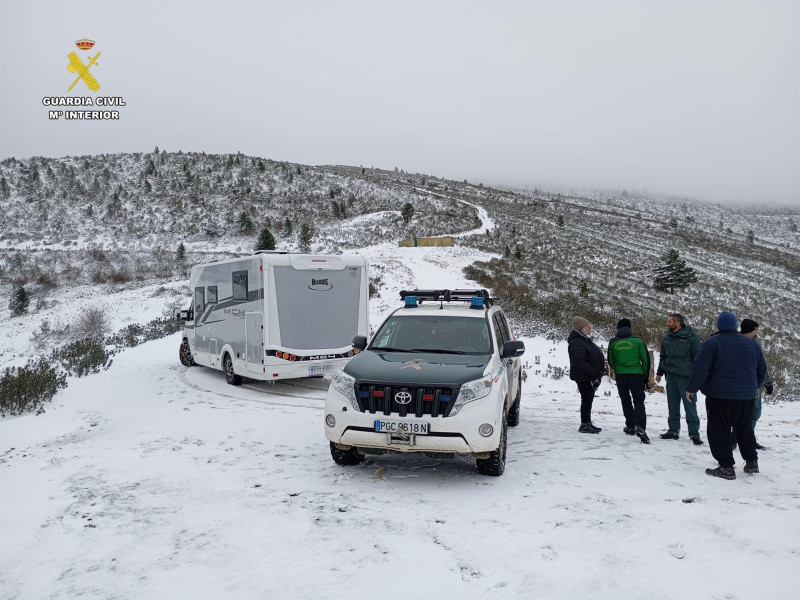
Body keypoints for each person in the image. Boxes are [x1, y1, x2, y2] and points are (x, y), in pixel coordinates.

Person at [686, 311, 767, 479]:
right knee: (744, 429)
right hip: (745, 397)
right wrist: (756, 387)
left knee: (719, 431)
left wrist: (691, 388)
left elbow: (700, 368)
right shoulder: (752, 344)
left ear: (719, 325)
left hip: (719, 396)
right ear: (735, 325)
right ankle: (751, 462)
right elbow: (762, 370)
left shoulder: (712, 343)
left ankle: (726, 467)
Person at [655, 313, 703, 445]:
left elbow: (699, 359)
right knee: (672, 404)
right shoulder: (667, 337)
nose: (667, 324)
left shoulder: (693, 338)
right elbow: (663, 356)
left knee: (690, 406)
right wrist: (659, 373)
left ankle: (694, 434)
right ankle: (673, 430)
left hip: (686, 378)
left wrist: (697, 379)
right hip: (670, 376)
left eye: (670, 321)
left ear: (678, 323)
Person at [608, 318, 651, 444]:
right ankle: (641, 427)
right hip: (636, 374)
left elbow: (610, 360)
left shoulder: (613, 342)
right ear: (630, 328)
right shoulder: (638, 341)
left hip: (621, 375)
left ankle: (631, 426)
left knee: (625, 400)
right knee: (638, 401)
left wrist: (618, 368)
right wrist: (645, 377)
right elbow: (645, 360)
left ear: (618, 328)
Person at [568, 316, 605, 434]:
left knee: (588, 399)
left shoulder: (584, 340)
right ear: (581, 329)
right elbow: (579, 361)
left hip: (589, 376)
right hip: (583, 377)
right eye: (587, 326)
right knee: (586, 399)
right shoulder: (577, 342)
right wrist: (594, 373)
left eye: (589, 326)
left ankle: (587, 422)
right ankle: (584, 424)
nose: (590, 328)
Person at [740, 319, 773, 450]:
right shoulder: (741, 343)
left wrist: (767, 382)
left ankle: (748, 438)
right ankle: (736, 437)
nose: (758, 331)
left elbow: (762, 367)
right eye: (757, 328)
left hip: (755, 384)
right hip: (746, 385)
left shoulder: (755, 343)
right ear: (753, 329)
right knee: (745, 413)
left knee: (754, 413)